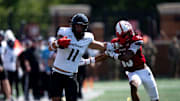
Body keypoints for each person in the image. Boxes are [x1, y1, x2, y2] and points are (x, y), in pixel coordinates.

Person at [82, 20, 160, 101]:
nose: (129, 35)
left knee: (155, 98)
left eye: (129, 32)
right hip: (132, 72)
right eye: (127, 34)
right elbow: (104, 55)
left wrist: (113, 54)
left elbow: (127, 57)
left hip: (143, 70)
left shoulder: (136, 39)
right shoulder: (116, 43)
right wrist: (87, 61)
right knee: (133, 86)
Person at [48, 13, 112, 101]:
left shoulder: (88, 38)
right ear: (73, 25)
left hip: (71, 75)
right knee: (56, 99)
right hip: (57, 73)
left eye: (81, 26)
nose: (78, 28)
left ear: (85, 27)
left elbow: (100, 45)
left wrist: (114, 46)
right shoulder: (64, 32)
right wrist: (57, 43)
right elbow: (50, 47)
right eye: (76, 25)